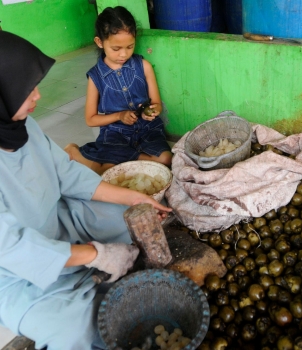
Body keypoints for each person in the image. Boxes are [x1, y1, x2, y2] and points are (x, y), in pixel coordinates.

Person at [0, 31, 171, 349]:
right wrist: (98, 253)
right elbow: (14, 248)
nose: (37, 96)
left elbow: (67, 175)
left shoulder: (22, 126)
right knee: (75, 331)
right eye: (25, 89)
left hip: (57, 221)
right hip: (13, 275)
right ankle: (82, 277)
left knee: (130, 217)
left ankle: (89, 266)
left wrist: (136, 198)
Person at [65, 6, 173, 175]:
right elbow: (91, 119)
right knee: (109, 172)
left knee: (166, 159)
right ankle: (75, 152)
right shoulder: (96, 77)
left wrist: (152, 111)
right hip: (116, 133)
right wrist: (119, 116)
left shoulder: (143, 66)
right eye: (116, 49)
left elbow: (157, 103)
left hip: (147, 129)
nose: (123, 54)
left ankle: (119, 162)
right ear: (100, 42)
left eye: (130, 47)